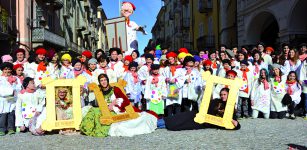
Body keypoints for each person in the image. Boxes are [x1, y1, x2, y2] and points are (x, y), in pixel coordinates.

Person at [81, 74, 157, 137]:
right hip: (105, 109)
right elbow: (98, 103)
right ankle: (86, 129)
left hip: (116, 110)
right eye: (101, 80)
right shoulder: (99, 91)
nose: (103, 82)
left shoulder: (115, 89)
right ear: (99, 82)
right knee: (93, 110)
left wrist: (114, 105)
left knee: (96, 112)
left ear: (107, 80)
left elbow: (126, 101)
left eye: (105, 80)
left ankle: (98, 130)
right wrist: (107, 106)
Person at [164, 88, 240, 131]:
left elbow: (234, 120)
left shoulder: (230, 106)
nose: (222, 96)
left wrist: (236, 124)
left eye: (224, 94)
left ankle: (163, 124)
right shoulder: (216, 101)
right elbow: (205, 106)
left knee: (184, 125)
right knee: (181, 117)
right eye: (221, 94)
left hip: (205, 122)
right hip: (198, 114)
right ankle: (159, 123)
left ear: (228, 95)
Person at [0, 62, 22, 136]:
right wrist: (11, 91)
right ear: (2, 70)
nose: (7, 71)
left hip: (12, 100)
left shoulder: (15, 78)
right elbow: (1, 90)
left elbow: (19, 88)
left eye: (9, 69)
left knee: (11, 114)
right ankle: (2, 129)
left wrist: (15, 90)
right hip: (3, 100)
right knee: (3, 115)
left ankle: (11, 128)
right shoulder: (0, 79)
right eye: (5, 69)